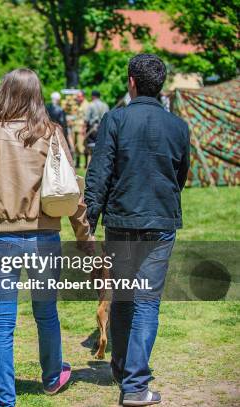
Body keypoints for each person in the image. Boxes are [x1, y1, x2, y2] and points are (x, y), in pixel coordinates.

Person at [0, 68, 94, 407]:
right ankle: (52, 378)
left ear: (4, 93)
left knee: (2, 324)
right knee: (46, 313)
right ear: (37, 96)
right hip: (45, 238)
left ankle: (5, 400)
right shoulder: (52, 132)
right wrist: (85, 240)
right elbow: (72, 192)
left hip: (1, 238)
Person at [85, 54, 190, 406]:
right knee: (145, 302)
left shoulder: (114, 120)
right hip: (159, 221)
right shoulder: (179, 126)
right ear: (160, 85)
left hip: (122, 221)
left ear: (131, 81)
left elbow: (98, 175)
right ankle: (133, 381)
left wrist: (88, 222)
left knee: (127, 299)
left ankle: (126, 375)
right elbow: (180, 176)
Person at [84, 90, 109, 166]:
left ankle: (91, 164)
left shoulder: (91, 105)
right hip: (103, 128)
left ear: (93, 96)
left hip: (93, 129)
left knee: (91, 147)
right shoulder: (105, 105)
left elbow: (86, 119)